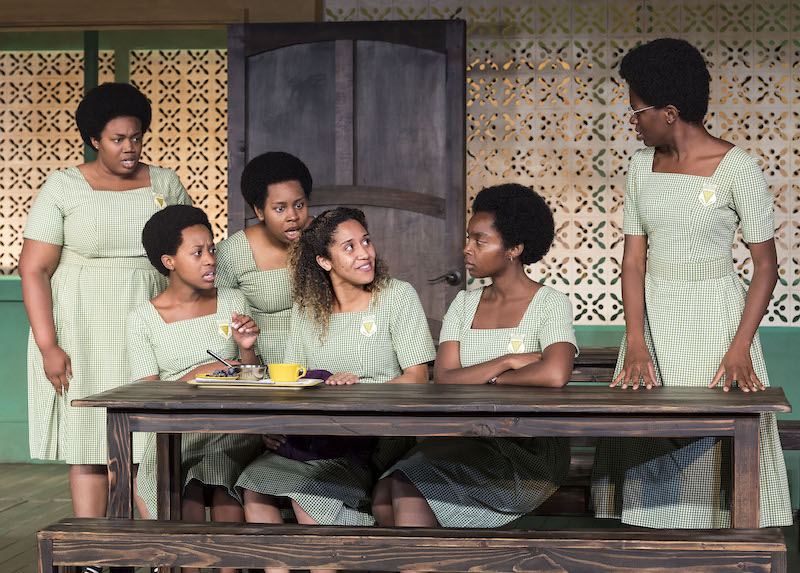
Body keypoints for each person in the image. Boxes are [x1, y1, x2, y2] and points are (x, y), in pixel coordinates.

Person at [591, 38, 792, 528]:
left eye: (636, 111)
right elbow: (633, 260)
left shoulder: (738, 167)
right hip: (654, 325)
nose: (632, 121)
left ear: (670, 111)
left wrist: (741, 347)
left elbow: (766, 266)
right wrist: (635, 341)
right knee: (649, 442)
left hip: (718, 326)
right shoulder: (641, 167)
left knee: (717, 445)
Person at [19, 83, 191, 529]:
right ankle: (97, 548)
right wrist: (47, 346)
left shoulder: (165, 182)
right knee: (90, 442)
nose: (130, 148)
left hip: (151, 319)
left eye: (136, 137)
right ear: (94, 139)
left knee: (151, 445)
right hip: (82, 326)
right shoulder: (64, 186)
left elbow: (192, 252)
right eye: (118, 139)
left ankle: (159, 548)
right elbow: (34, 269)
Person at [372, 183, 577, 529]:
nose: (466, 249)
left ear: (514, 248)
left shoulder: (550, 303)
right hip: (465, 438)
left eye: (480, 241)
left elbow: (555, 373)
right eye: (469, 238)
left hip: (525, 451)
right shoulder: (464, 304)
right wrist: (505, 364)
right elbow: (445, 377)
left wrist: (487, 378)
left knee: (407, 489)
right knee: (382, 494)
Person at [236, 207, 436, 541]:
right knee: (254, 487)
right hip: (316, 438)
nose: (365, 253)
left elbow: (417, 379)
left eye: (366, 241)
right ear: (324, 261)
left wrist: (358, 390)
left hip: (378, 439)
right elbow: (292, 382)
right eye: (349, 247)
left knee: (306, 497)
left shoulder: (397, 297)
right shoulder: (307, 310)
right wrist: (270, 428)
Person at [128, 205, 263, 573]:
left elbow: (255, 381)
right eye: (197, 252)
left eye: (212, 250)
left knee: (219, 475)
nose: (210, 260)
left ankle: (228, 565)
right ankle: (181, 564)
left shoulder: (232, 301)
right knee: (174, 486)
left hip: (230, 429)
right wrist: (196, 374)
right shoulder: (144, 318)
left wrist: (247, 348)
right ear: (169, 261)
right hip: (175, 433)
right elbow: (147, 396)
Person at [215, 151, 312, 365]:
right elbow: (218, 315)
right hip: (265, 367)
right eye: (280, 208)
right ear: (259, 211)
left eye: (299, 205)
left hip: (325, 364)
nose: (293, 216)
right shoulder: (233, 252)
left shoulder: (325, 237)